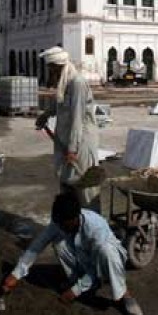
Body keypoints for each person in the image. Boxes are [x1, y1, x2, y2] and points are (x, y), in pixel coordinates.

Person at [0, 192, 144, 315]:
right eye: (58, 224)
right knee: (59, 243)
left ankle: (125, 294)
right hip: (85, 258)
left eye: (62, 224)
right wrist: (16, 273)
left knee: (105, 251)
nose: (59, 227)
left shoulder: (95, 228)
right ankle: (83, 283)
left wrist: (76, 290)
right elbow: (38, 245)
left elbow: (95, 266)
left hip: (107, 260)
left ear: (74, 219)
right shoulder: (61, 221)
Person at [35, 46, 100, 207]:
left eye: (51, 68)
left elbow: (77, 118)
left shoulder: (77, 83)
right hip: (67, 138)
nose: (50, 72)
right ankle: (71, 221)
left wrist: (72, 149)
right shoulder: (65, 82)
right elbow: (59, 102)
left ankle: (91, 222)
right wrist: (46, 115)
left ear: (58, 66)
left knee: (83, 184)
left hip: (81, 142)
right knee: (67, 181)